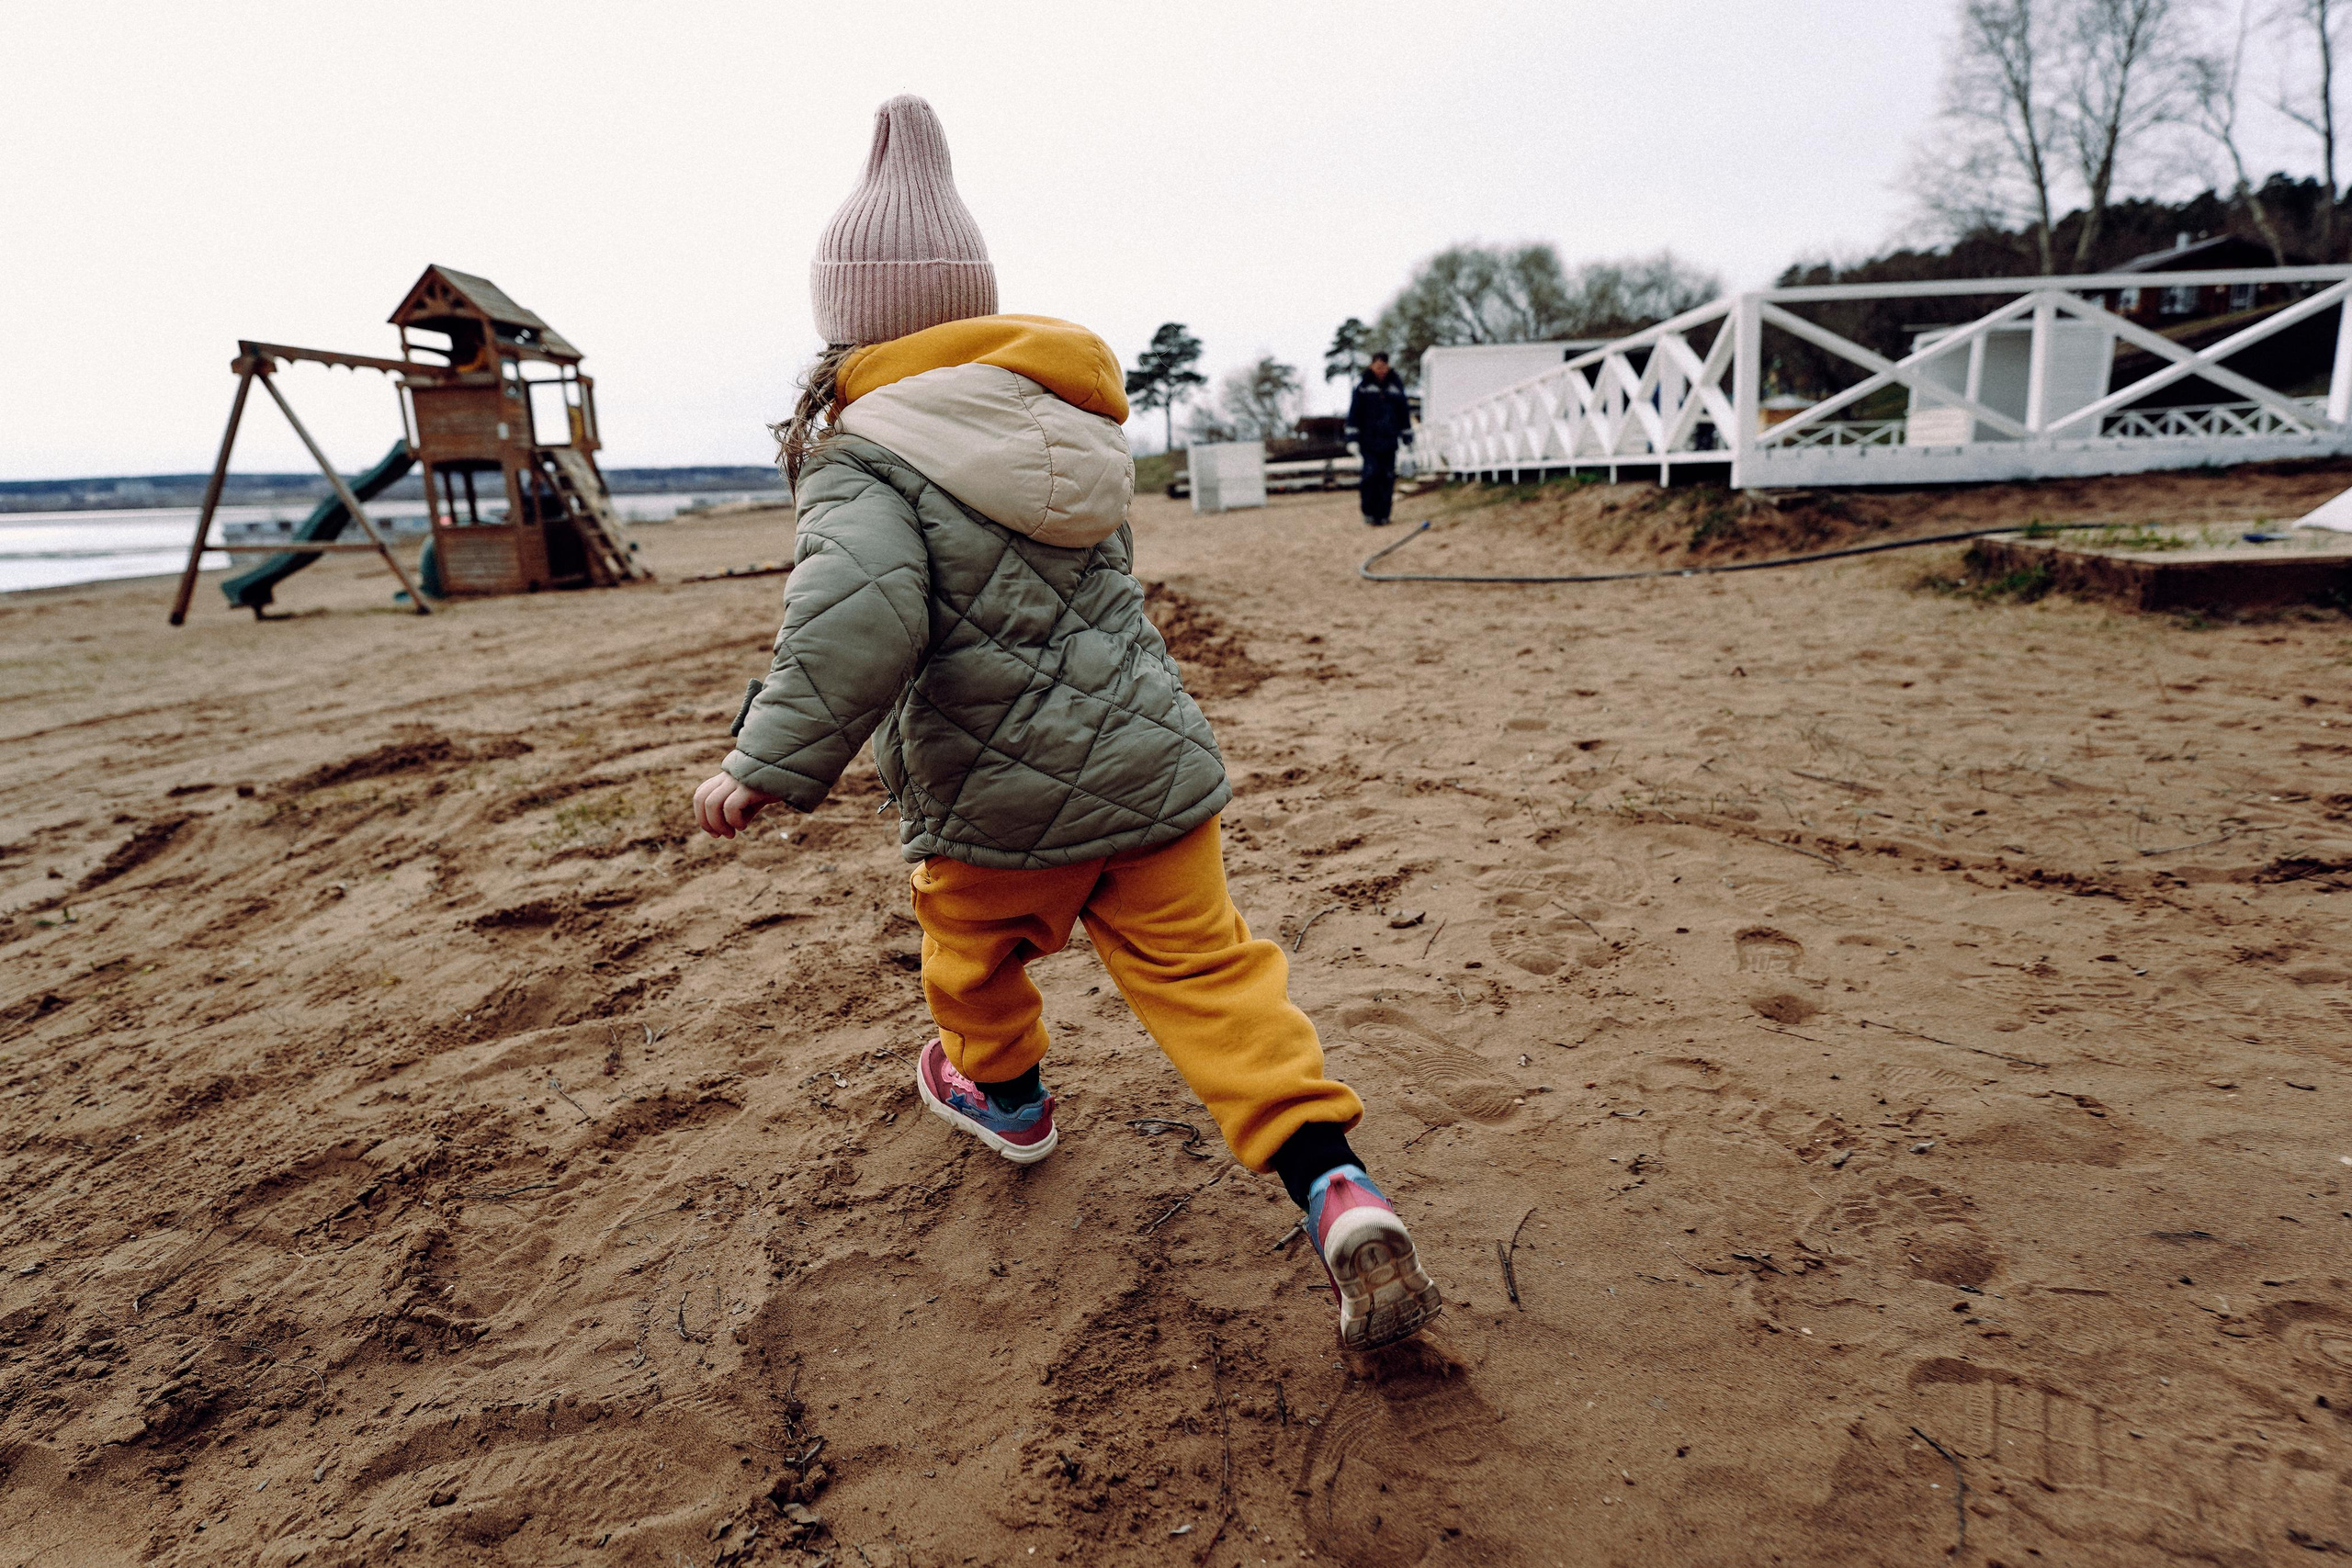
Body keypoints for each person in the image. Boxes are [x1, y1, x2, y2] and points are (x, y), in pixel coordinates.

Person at [690, 96, 1441, 1352]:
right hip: (1152, 781)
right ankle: (1335, 1183)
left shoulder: (865, 455)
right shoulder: (1070, 422)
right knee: (1215, 982)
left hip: (995, 810)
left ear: (849, 327)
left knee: (971, 960)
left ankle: (1010, 1095)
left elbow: (854, 626)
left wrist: (766, 760)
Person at [1345, 352, 1413, 526]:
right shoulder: (1362, 388)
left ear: (1388, 367)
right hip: (1368, 441)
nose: (1381, 370)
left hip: (1389, 440)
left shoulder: (1396, 388)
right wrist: (1352, 438)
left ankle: (1384, 514)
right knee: (1370, 475)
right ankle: (1369, 512)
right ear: (1371, 366)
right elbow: (1354, 414)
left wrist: (1407, 436)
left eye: (1384, 366)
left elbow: (1403, 414)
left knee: (1387, 477)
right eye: (1378, 366)